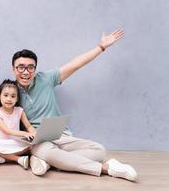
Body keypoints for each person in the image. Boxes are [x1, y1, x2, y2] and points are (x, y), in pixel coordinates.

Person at [12, 29, 138, 181]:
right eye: (21, 67)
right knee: (46, 152)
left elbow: (75, 65)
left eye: (30, 67)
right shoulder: (10, 92)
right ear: (13, 69)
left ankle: (49, 163)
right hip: (38, 141)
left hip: (60, 134)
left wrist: (101, 47)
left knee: (99, 151)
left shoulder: (46, 79)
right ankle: (107, 169)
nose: (25, 72)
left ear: (35, 69)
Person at [0, 79, 36, 169]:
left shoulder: (19, 111)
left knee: (32, 146)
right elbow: (6, 130)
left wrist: (34, 134)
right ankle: (18, 159)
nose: (9, 99)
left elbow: (28, 126)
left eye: (13, 96)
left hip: (15, 140)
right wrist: (25, 133)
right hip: (1, 141)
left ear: (17, 99)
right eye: (5, 95)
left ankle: (3, 159)